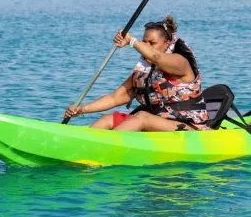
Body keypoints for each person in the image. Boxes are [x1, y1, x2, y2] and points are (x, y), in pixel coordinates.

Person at [64, 15, 209, 131]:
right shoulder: (144, 73)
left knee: (141, 117)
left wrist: (131, 41)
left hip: (189, 127)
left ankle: (103, 150)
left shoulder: (181, 62)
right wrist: (82, 109)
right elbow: (115, 98)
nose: (146, 46)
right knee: (107, 119)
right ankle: (82, 146)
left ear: (167, 43)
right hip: (155, 123)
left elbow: (156, 56)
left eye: (152, 43)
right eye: (144, 42)